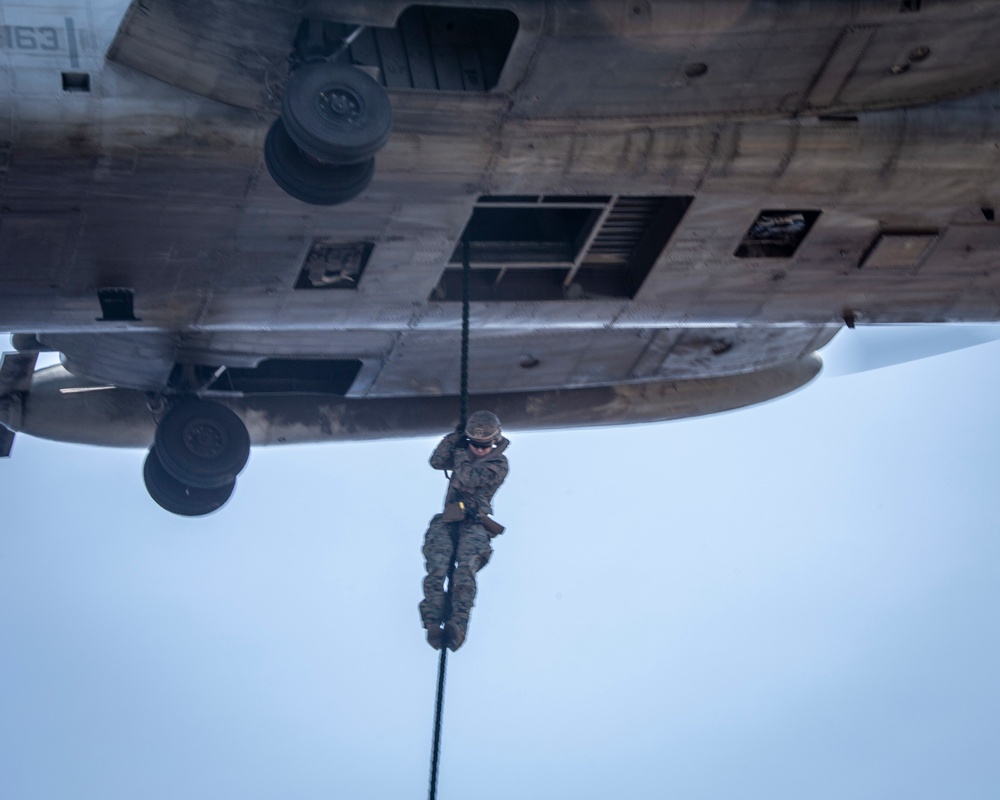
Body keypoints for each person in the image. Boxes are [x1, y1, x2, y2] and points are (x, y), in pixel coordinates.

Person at [419, 410, 509, 651]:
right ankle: (432, 623)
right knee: (437, 568)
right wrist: (455, 437)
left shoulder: (498, 464)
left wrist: (461, 451)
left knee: (464, 572)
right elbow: (436, 461)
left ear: (494, 442)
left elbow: (469, 478)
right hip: (448, 519)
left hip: (475, 523)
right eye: (474, 444)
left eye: (485, 445)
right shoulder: (462, 452)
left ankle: (457, 625)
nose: (479, 450)